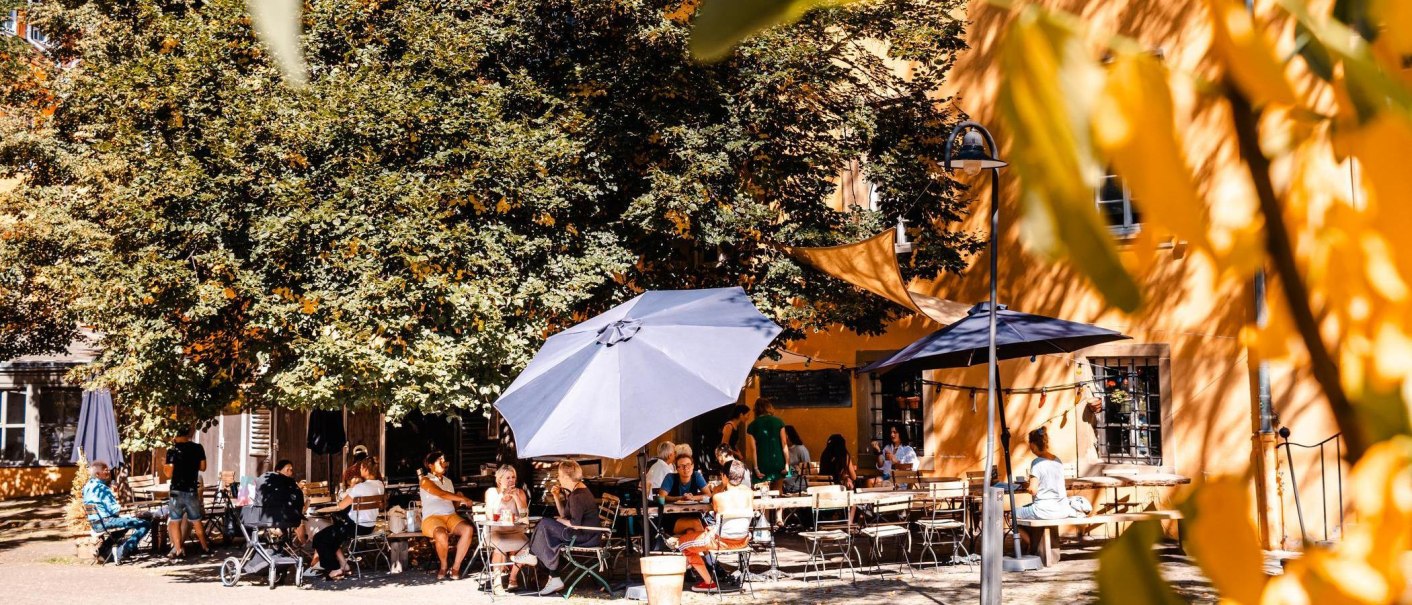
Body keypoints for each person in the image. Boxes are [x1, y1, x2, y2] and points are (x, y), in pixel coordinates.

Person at [514, 459, 601, 596]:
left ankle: (535, 558)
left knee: (544, 525)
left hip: (586, 537)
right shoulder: (574, 491)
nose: (558, 478)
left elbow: (574, 524)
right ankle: (552, 576)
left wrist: (559, 521)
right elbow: (564, 515)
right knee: (547, 531)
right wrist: (556, 496)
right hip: (582, 534)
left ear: (566, 477)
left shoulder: (578, 495)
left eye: (559, 475)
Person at [676, 460, 754, 593]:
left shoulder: (719, 497)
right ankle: (703, 571)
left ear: (724, 476)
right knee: (696, 532)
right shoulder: (749, 493)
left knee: (682, 543)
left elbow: (714, 499)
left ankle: (709, 582)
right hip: (743, 541)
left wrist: (720, 486)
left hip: (720, 542)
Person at [312, 457, 384, 580]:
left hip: (354, 526)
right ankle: (344, 565)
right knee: (332, 536)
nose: (360, 470)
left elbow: (341, 506)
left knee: (319, 538)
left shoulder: (359, 488)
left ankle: (335, 569)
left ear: (366, 469)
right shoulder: (380, 485)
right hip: (369, 526)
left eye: (361, 467)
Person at [419, 450, 475, 580]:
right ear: (430, 465)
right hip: (432, 518)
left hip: (450, 516)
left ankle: (455, 567)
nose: (444, 464)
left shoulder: (448, 481)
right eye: (440, 461)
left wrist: (459, 498)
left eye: (444, 461)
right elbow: (441, 494)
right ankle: (444, 565)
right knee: (441, 534)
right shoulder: (425, 480)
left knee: (468, 529)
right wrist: (462, 498)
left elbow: (450, 504)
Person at [82, 460, 153, 561]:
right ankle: (121, 552)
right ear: (98, 474)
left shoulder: (87, 487)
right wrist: (116, 497)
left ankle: (102, 551)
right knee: (145, 524)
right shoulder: (102, 489)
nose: (108, 472)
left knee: (126, 524)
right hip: (106, 521)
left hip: (95, 523)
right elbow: (115, 511)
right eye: (105, 470)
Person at [484, 465, 530, 595]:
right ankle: (497, 582)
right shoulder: (492, 492)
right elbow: (489, 514)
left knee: (527, 547)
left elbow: (524, 515)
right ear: (499, 480)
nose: (511, 480)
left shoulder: (520, 492)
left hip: (515, 531)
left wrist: (516, 497)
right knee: (500, 546)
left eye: (513, 477)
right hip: (496, 531)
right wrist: (501, 495)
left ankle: (513, 577)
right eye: (507, 477)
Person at [164, 427, 209, 557]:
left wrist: (165, 465)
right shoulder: (198, 448)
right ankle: (205, 547)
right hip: (191, 490)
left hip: (176, 491)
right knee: (196, 520)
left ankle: (178, 550)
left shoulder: (172, 451)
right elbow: (203, 467)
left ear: (176, 436)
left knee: (175, 521)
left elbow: (168, 473)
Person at [745, 399, 790, 488]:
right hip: (778, 461)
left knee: (763, 493)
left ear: (756, 410)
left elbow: (753, 449)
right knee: (778, 490)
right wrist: (787, 464)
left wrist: (756, 469)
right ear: (769, 407)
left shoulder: (752, 425)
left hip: (761, 463)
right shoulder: (779, 422)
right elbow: (784, 444)